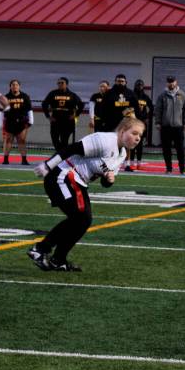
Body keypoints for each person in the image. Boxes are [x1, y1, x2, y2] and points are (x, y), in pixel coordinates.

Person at [27, 115, 145, 272]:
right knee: (81, 217)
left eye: (140, 136)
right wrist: (48, 165)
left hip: (77, 180)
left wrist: (109, 180)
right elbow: (72, 148)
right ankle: (40, 250)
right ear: (122, 131)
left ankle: (58, 259)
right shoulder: (105, 140)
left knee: (83, 220)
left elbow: (104, 182)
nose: (137, 138)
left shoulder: (122, 154)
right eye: (134, 133)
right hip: (63, 174)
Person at [155, 75, 185, 174]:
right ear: (167, 83)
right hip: (165, 127)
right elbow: (158, 110)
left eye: (172, 81)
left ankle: (182, 169)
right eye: (169, 82)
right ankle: (169, 169)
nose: (171, 83)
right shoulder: (162, 96)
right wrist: (158, 122)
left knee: (180, 150)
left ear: (176, 82)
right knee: (166, 149)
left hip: (178, 127)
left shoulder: (183, 95)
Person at [41, 77, 84, 151]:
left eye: (62, 83)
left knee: (64, 139)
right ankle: (60, 153)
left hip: (67, 120)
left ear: (66, 84)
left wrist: (75, 115)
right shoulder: (53, 93)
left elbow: (81, 105)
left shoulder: (72, 95)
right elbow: (44, 104)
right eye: (58, 83)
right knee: (54, 138)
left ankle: (62, 156)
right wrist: (48, 116)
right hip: (56, 119)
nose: (60, 84)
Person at [0, 79, 33, 165]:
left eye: (16, 85)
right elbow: (1, 111)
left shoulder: (25, 96)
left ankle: (24, 160)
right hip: (9, 122)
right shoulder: (6, 97)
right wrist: (1, 123)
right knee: (8, 140)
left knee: (21, 140)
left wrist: (31, 121)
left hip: (21, 122)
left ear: (19, 86)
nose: (15, 86)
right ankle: (6, 159)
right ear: (10, 87)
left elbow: (29, 110)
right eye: (13, 85)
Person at [127, 79, 153, 170]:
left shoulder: (145, 97)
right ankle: (132, 162)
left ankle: (139, 162)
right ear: (135, 86)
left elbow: (152, 107)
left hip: (142, 123)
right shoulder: (131, 96)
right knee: (132, 142)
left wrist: (147, 116)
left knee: (140, 143)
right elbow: (127, 107)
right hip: (133, 122)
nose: (139, 87)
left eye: (141, 85)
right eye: (138, 85)